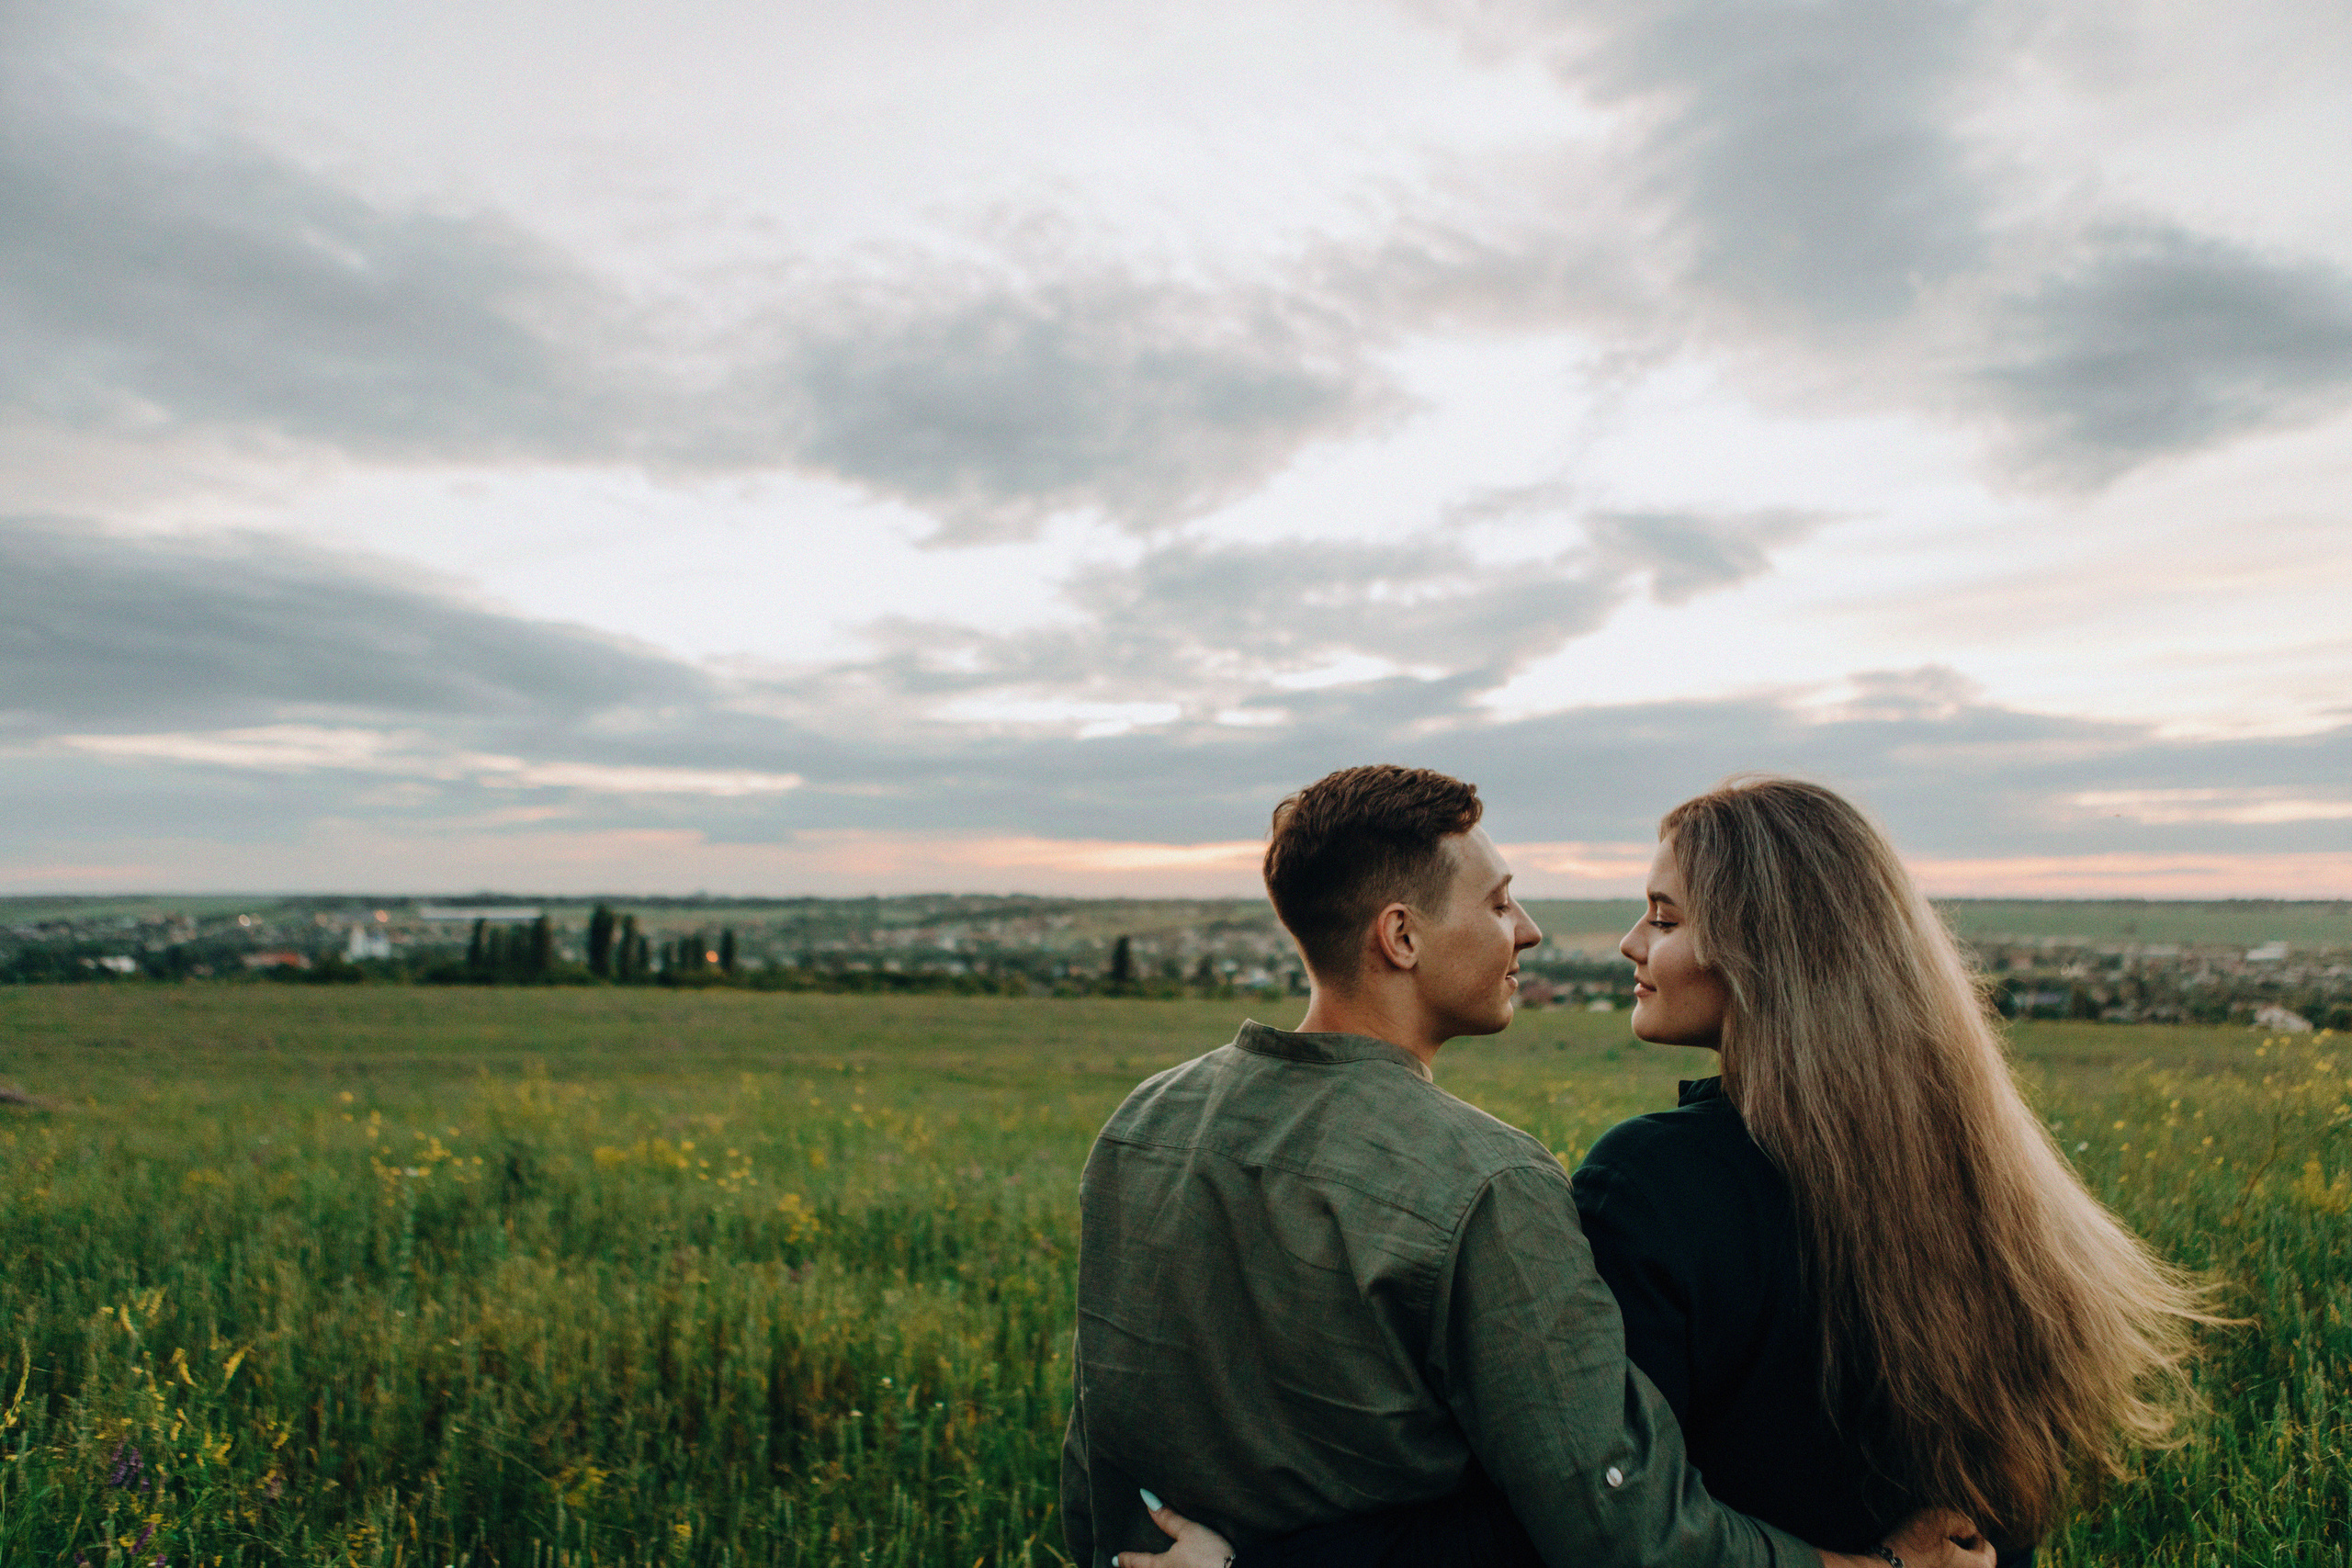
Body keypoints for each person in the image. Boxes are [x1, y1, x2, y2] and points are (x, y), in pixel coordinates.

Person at [1119, 776, 2214, 1568]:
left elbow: (1573, 1523)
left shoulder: (1656, 1187)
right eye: (1500, 903)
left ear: (1762, 950)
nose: (1624, 946)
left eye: (1662, 917)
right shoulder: (1992, 1187)